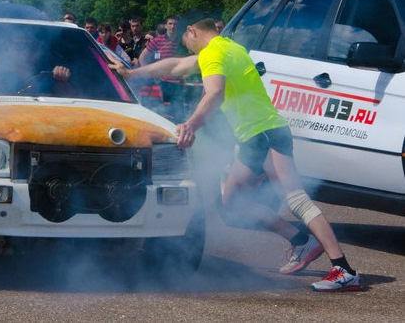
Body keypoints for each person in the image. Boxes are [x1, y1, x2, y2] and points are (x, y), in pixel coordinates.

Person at [109, 16, 361, 292]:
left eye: (187, 44)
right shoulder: (228, 47)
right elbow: (178, 66)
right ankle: (301, 240)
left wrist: (191, 125)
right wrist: (133, 73)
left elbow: (214, 93)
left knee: (297, 199)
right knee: (230, 204)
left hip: (266, 133)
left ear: (192, 31)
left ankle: (343, 269)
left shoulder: (213, 54)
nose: (189, 52)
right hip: (253, 139)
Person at [139, 15, 186, 121]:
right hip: (161, 83)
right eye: (170, 23)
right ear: (165, 25)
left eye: (175, 24)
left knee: (178, 115)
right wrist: (150, 74)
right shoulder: (157, 41)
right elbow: (142, 58)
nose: (172, 26)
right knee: (159, 114)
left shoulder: (183, 41)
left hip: (178, 83)